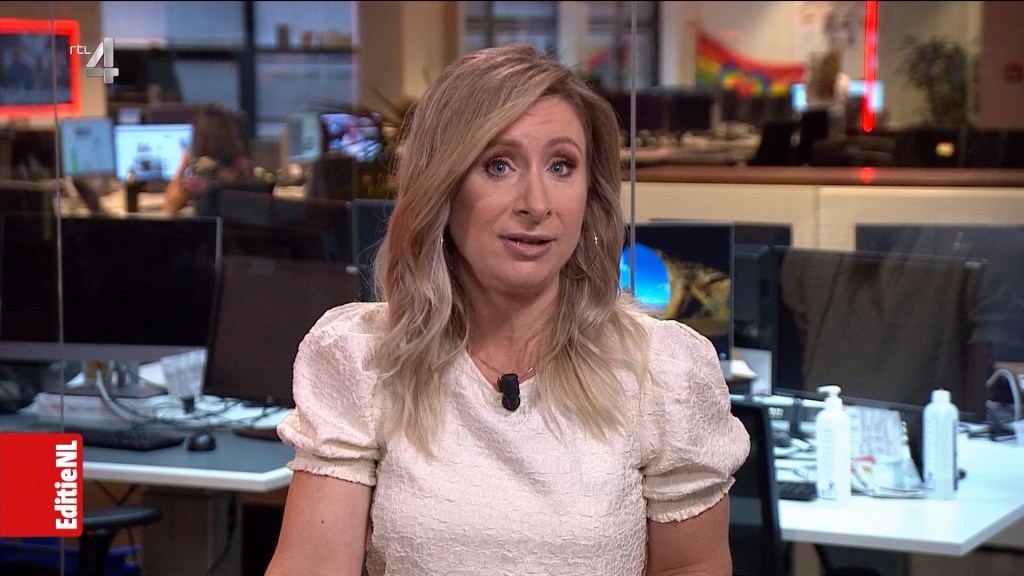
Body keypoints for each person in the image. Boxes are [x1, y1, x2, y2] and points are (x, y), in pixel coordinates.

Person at [266, 43, 749, 576]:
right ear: (444, 186)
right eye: (498, 165)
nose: (536, 204)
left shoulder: (662, 373)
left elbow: (691, 566)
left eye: (561, 166)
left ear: (589, 195)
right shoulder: (364, 360)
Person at [163, 103, 260, 214]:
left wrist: (183, 165)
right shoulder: (243, 166)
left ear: (199, 137)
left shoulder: (204, 171)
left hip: (212, 226)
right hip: (238, 225)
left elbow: (171, 206)